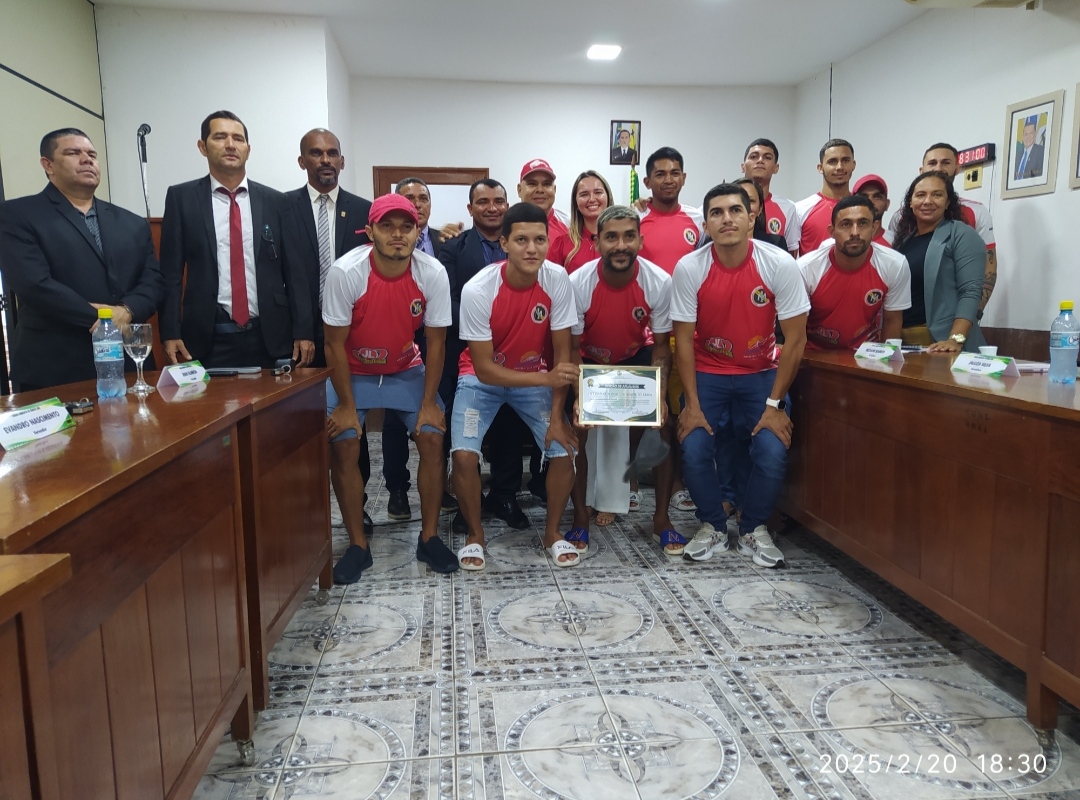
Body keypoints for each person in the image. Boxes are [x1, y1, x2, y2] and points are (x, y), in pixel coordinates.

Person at [672, 183, 809, 567]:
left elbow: (796, 339)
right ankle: (713, 525)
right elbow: (682, 340)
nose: (726, 218)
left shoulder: (779, 263)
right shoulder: (690, 268)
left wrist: (775, 403)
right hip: (707, 373)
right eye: (716, 212)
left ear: (752, 218)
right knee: (694, 446)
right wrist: (692, 405)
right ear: (706, 222)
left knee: (771, 449)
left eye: (735, 210)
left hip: (761, 373)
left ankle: (753, 530)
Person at [322, 193, 456, 583]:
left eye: (406, 226)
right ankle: (358, 545)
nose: (398, 234)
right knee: (343, 439)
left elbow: (436, 343)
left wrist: (430, 402)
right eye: (387, 226)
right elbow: (333, 344)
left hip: (403, 368)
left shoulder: (431, 272)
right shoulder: (346, 272)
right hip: (354, 372)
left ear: (418, 231)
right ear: (370, 232)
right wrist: (346, 405)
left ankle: (428, 537)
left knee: (433, 435)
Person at [451, 202, 580, 570]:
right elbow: (485, 369)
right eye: (521, 239)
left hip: (533, 378)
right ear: (504, 243)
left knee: (563, 450)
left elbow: (562, 354)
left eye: (540, 239)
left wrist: (557, 416)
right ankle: (475, 535)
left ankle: (552, 533)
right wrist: (547, 378)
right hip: (480, 380)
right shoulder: (479, 289)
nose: (532, 248)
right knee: (463, 455)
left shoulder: (557, 280)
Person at [0, 128, 164, 392]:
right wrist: (108, 318)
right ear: (48, 164)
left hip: (128, 365)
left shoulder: (132, 223)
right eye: (73, 153)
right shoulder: (17, 215)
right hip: (53, 365)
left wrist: (128, 310)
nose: (87, 159)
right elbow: (34, 284)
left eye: (92, 154)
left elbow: (153, 281)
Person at [567, 206, 683, 554]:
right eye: (611, 237)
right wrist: (578, 396)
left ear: (640, 240)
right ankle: (579, 518)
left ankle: (661, 519)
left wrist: (660, 397)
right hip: (589, 361)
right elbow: (571, 348)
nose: (621, 245)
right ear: (597, 242)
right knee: (578, 427)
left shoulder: (659, 281)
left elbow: (662, 347)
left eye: (629, 236)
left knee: (660, 428)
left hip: (635, 359)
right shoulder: (578, 283)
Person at [159, 111, 314, 369]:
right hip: (206, 338)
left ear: (248, 149)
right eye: (220, 137)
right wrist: (170, 332)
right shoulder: (182, 199)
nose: (230, 145)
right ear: (202, 146)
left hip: (269, 336)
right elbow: (171, 275)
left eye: (238, 139)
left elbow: (295, 273)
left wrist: (304, 331)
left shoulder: (276, 202)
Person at [440, 179, 541, 531]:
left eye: (499, 201)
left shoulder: (524, 245)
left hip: (519, 355)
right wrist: (483, 327)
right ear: (470, 209)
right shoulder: (452, 247)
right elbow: (447, 299)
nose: (492, 207)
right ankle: (470, 502)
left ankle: (505, 495)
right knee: (466, 431)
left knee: (509, 429)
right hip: (467, 351)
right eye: (483, 201)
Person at [382, 177, 457, 522]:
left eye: (423, 197)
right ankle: (398, 489)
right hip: (396, 341)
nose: (417, 202)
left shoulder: (449, 242)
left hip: (438, 340)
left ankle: (439, 487)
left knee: (437, 413)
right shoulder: (384, 246)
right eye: (408, 197)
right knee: (395, 420)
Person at [637, 146, 703, 516]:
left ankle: (678, 481)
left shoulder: (698, 222)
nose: (667, 179)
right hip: (648, 333)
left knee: (679, 409)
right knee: (646, 409)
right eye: (659, 173)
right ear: (648, 181)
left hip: (687, 333)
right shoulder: (637, 223)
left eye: (674, 172)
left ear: (683, 178)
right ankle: (633, 480)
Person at [286, 128, 371, 368]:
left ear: (341, 162)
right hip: (301, 329)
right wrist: (301, 330)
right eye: (316, 153)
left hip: (353, 326)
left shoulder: (363, 210)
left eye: (332, 153)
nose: (325, 160)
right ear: (302, 161)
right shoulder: (284, 206)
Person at [798, 195, 910, 350]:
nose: (855, 232)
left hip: (865, 354)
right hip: (814, 353)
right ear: (832, 231)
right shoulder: (806, 268)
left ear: (874, 227)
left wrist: (885, 365)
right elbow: (796, 331)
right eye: (846, 224)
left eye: (863, 223)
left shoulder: (895, 265)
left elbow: (893, 320)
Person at [891, 171, 987, 353]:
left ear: (948, 202)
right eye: (920, 195)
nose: (928, 201)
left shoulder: (962, 235)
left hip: (944, 342)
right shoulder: (904, 242)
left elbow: (970, 292)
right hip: (905, 342)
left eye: (937, 195)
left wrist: (955, 340)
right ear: (910, 202)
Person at [907, 143, 997, 318]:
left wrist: (973, 312)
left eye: (946, 163)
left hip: (957, 317)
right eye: (932, 163)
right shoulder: (903, 217)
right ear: (922, 169)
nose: (939, 168)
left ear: (957, 168)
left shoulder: (976, 211)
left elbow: (989, 265)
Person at [795, 139, 855, 255]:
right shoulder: (800, 209)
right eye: (832, 161)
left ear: (853, 165)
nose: (839, 167)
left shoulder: (864, 208)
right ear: (820, 168)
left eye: (845, 160)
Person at [740, 138, 800, 254]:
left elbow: (791, 254)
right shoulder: (722, 204)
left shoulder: (788, 207)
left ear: (776, 168)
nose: (760, 161)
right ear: (743, 166)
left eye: (767, 157)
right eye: (753, 157)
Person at [548, 171, 613, 273]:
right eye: (584, 194)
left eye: (598, 192)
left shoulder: (623, 241)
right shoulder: (562, 244)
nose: (592, 199)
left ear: (608, 196)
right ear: (576, 203)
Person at [517, 159, 570, 240]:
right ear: (519, 189)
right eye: (532, 184)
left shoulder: (569, 224)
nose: (540, 190)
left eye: (547, 184)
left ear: (554, 189)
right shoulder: (507, 224)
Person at [733, 178, 788, 251]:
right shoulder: (715, 242)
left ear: (760, 208)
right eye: (739, 200)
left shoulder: (775, 244)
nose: (745, 206)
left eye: (751, 201)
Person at [852, 174, 891, 247]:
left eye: (877, 197)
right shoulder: (841, 241)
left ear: (887, 204)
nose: (870, 201)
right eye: (863, 197)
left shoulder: (897, 242)